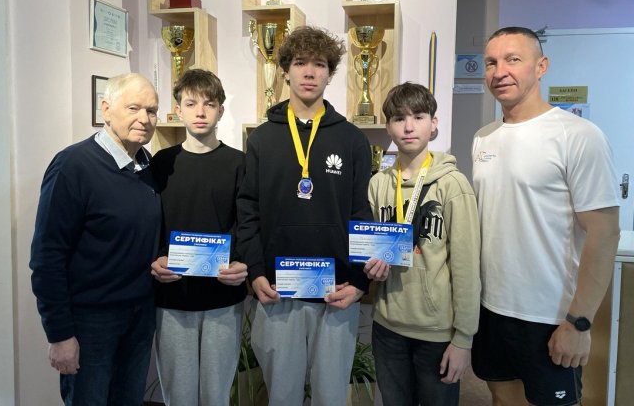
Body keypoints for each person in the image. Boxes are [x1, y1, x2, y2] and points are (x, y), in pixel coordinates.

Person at [471, 26, 621, 406]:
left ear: (541, 67)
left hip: (550, 315)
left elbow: (604, 234)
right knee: (502, 398)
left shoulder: (578, 135)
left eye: (513, 59)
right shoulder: (483, 137)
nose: (500, 71)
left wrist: (579, 322)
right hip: (491, 308)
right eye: (491, 62)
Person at [236, 25, 373, 405]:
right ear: (285, 71)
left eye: (319, 64)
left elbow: (362, 213)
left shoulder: (352, 140)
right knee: (282, 396)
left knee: (331, 397)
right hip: (278, 292)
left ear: (330, 73)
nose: (309, 72)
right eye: (300, 63)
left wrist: (360, 281)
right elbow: (248, 211)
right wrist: (256, 273)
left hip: (336, 293)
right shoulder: (261, 139)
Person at [29, 73, 161, 406]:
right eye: (133, 108)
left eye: (151, 110)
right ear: (106, 109)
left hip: (139, 317)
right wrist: (60, 334)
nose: (144, 119)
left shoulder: (147, 166)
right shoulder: (72, 165)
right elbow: (47, 256)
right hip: (91, 323)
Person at [364, 82, 481, 406]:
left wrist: (463, 339)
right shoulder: (378, 185)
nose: (409, 126)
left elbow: (467, 266)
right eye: (399, 118)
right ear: (388, 127)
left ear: (434, 124)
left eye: (418, 117)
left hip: (437, 332)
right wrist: (371, 269)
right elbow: (371, 250)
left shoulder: (452, 185)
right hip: (387, 327)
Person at [149, 69, 248, 406]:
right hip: (173, 296)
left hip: (223, 296)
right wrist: (157, 257)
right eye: (191, 104)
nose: (200, 112)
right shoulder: (162, 163)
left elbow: (247, 224)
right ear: (178, 110)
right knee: (178, 394)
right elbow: (151, 222)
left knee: (215, 394)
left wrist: (242, 263)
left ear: (221, 110)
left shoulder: (239, 163)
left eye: (209, 104)